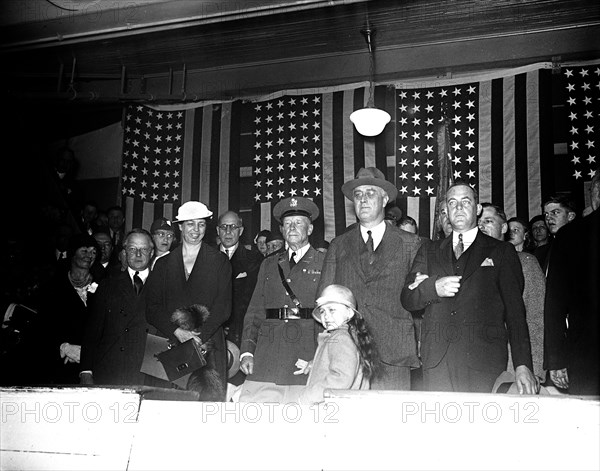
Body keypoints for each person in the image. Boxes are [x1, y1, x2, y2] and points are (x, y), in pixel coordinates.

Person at [401, 182, 537, 394]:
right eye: (452, 203)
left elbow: (515, 313)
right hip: (436, 362)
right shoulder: (429, 250)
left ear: (478, 208)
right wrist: (432, 287)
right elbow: (408, 298)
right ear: (445, 210)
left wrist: (523, 365)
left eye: (466, 202)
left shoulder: (501, 252)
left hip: (483, 362)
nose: (458, 208)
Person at [318, 167, 422, 390]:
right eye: (358, 195)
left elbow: (419, 301)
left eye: (370, 193)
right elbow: (323, 302)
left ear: (384, 199)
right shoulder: (338, 245)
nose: (363, 200)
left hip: (394, 356)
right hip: (347, 356)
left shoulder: (411, 244)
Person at [239, 197, 325, 402]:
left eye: (298, 223)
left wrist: (321, 357)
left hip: (305, 354)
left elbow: (328, 316)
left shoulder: (325, 262)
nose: (292, 227)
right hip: (268, 354)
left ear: (310, 229)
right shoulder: (269, 264)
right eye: (288, 223)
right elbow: (255, 311)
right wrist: (247, 351)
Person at [145, 201, 232, 398]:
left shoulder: (219, 261)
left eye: (201, 224)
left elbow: (223, 308)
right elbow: (152, 308)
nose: (196, 230)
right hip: (171, 343)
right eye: (190, 224)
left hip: (207, 345)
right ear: (180, 226)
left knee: (206, 409)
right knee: (167, 408)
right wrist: (178, 332)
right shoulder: (163, 264)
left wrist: (198, 336)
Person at [270, 285, 379, 404]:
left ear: (349, 313)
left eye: (332, 310)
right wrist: (314, 364)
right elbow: (343, 363)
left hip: (334, 409)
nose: (326, 316)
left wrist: (307, 397)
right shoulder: (347, 335)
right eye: (322, 311)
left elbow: (340, 378)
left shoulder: (340, 338)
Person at [544, 172, 600, 395]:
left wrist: (556, 358)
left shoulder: (571, 234)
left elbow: (555, 303)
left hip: (588, 356)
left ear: (594, 193)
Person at [478, 204, 546, 380]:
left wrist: (534, 368)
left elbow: (537, 318)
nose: (482, 226)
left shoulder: (526, 263)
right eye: (478, 222)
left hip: (512, 366)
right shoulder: (468, 264)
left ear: (504, 227)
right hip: (477, 366)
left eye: (488, 221)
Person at [80, 229, 154, 386]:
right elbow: (92, 331)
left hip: (149, 372)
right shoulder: (108, 284)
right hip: (112, 370)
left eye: (144, 249)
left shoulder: (163, 285)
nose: (138, 254)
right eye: (133, 249)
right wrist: (86, 371)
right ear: (125, 252)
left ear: (152, 252)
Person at [36, 234, 100, 384]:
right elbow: (43, 327)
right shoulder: (53, 288)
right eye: (84, 251)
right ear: (72, 253)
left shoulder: (104, 286)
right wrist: (63, 347)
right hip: (61, 365)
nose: (89, 256)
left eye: (93, 252)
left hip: (94, 367)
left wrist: (86, 353)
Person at [216, 211, 262, 349]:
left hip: (240, 332)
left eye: (233, 227)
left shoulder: (254, 259)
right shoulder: (205, 257)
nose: (228, 231)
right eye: (224, 227)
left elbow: (253, 301)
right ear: (218, 230)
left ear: (241, 231)